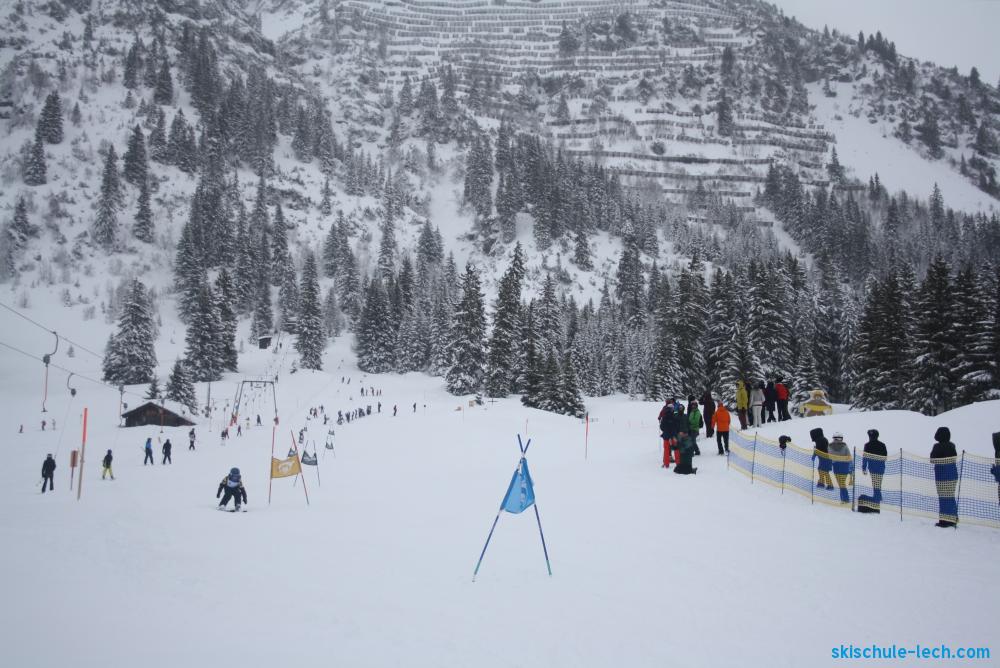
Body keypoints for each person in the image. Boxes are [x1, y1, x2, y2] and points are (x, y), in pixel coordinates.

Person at [930, 427, 958, 528]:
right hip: (952, 474)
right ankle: (953, 518)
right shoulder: (952, 445)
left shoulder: (937, 446)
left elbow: (932, 459)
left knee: (943, 498)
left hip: (942, 475)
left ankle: (944, 521)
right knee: (950, 496)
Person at [859, 429, 887, 513]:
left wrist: (864, 467)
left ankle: (877, 498)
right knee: (878, 482)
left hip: (873, 468)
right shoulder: (882, 445)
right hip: (881, 467)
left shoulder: (867, 445)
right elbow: (885, 457)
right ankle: (878, 496)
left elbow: (865, 457)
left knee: (875, 482)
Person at [828, 432, 852, 504]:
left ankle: (845, 498)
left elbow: (829, 457)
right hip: (844, 466)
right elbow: (849, 457)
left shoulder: (829, 446)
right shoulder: (845, 446)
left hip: (836, 467)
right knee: (842, 483)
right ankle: (844, 498)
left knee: (841, 483)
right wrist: (851, 467)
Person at [659, 403, 678, 469]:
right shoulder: (674, 416)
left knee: (666, 450)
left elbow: (662, 427)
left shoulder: (664, 416)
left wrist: (667, 433)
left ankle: (666, 464)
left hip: (666, 436)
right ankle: (678, 463)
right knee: (676, 449)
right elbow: (675, 427)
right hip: (673, 436)